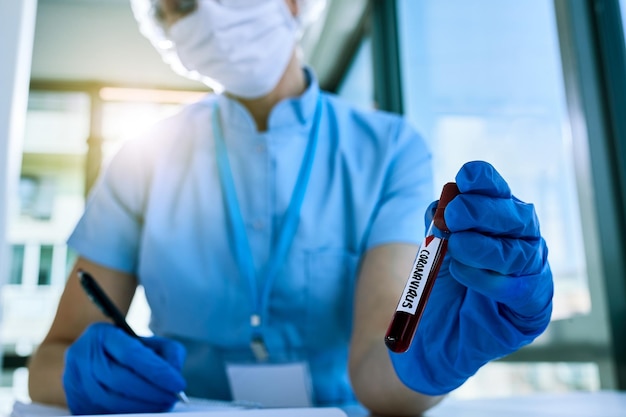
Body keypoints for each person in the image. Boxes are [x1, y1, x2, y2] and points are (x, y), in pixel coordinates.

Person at [27, 0, 554, 415]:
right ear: (164, 27)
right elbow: (47, 362)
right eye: (183, 2)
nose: (210, 10)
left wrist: (435, 362)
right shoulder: (141, 159)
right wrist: (84, 376)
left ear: (295, 2)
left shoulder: (389, 150)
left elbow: (378, 371)